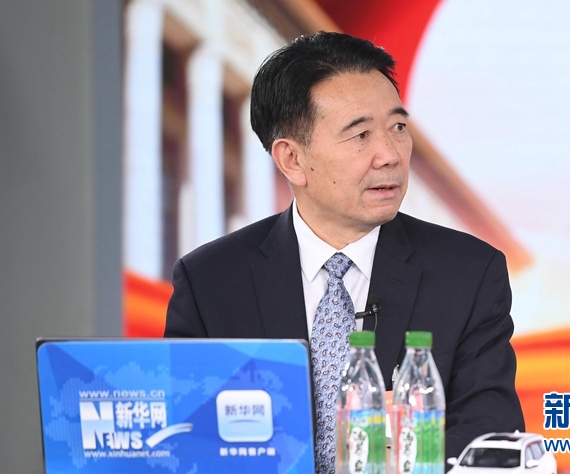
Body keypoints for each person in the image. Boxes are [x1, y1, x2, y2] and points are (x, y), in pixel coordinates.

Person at [165, 31, 525, 472]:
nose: (389, 154)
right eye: (360, 135)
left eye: (398, 127)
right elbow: (183, 439)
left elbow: (490, 435)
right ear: (292, 160)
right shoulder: (211, 280)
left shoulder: (468, 274)